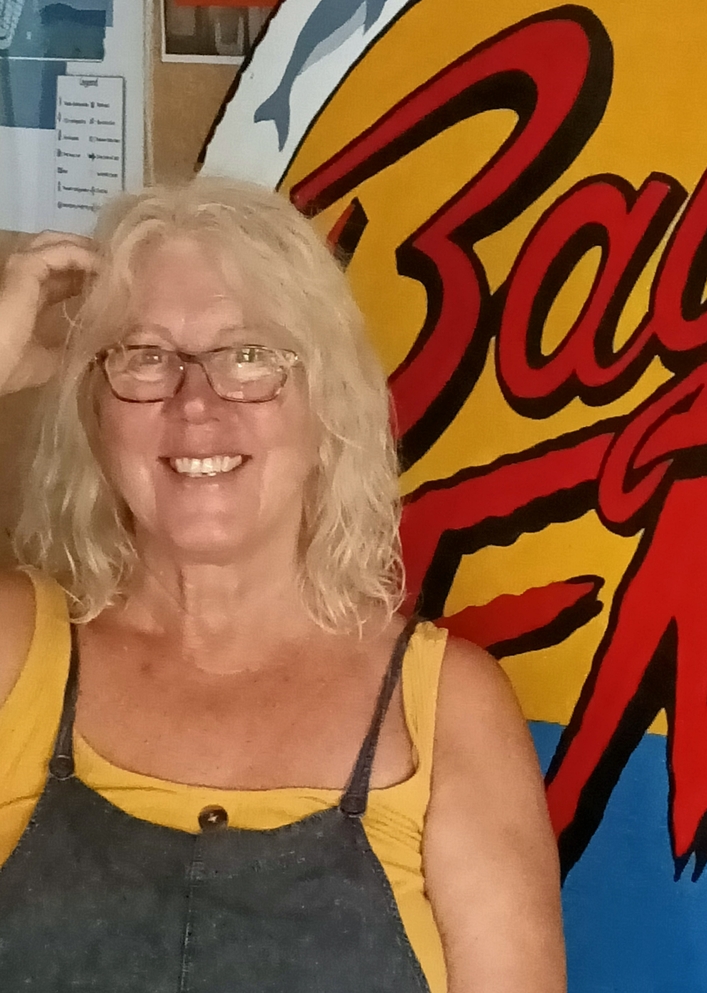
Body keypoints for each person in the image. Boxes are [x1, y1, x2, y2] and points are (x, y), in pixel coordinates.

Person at [0, 180, 566, 992]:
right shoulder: (16, 653)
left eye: (249, 356)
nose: (197, 405)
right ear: (96, 409)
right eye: (147, 356)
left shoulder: (445, 708)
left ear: (326, 405)